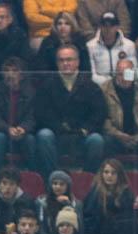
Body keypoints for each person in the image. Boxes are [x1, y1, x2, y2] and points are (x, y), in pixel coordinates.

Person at [35, 43, 107, 179]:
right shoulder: (47, 85)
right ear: (57, 63)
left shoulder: (91, 86)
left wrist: (86, 129)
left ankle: (87, 179)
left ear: (77, 62)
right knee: (44, 135)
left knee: (96, 140)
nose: (65, 63)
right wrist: (58, 127)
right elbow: (42, 112)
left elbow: (99, 113)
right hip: (56, 133)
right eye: (61, 60)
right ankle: (52, 180)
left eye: (69, 59)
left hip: (82, 134)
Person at [0, 57, 36, 177]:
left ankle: (33, 176)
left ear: (22, 75)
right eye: (6, 70)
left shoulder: (31, 92)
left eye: (14, 70)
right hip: (2, 131)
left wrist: (23, 128)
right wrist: (7, 128)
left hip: (22, 133)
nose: (10, 74)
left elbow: (32, 116)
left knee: (30, 139)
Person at [83, 158, 138, 234]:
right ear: (101, 174)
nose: (109, 176)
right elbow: (89, 221)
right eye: (106, 172)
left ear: (119, 175)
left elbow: (128, 225)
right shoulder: (95, 194)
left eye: (113, 173)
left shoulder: (127, 194)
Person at [87, 12, 137, 87]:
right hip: (100, 87)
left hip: (124, 85)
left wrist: (123, 82)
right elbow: (92, 74)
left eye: (111, 26)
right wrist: (110, 83)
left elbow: (134, 70)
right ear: (100, 27)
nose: (108, 29)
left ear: (117, 27)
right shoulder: (90, 46)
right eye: (105, 26)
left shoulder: (129, 45)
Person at [36, 169, 82, 234]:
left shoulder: (76, 204)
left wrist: (69, 205)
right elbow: (41, 229)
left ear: (67, 187)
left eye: (62, 184)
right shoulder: (42, 203)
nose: (58, 186)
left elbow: (79, 227)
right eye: (55, 183)